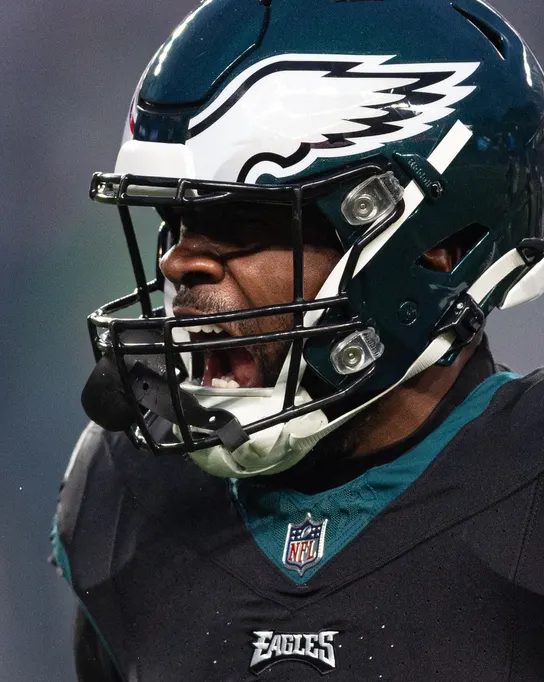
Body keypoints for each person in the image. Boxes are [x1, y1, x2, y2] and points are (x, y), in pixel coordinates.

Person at [51, 0, 544, 679]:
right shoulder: (132, 490)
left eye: (243, 217)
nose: (179, 262)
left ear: (437, 246)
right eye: (177, 218)